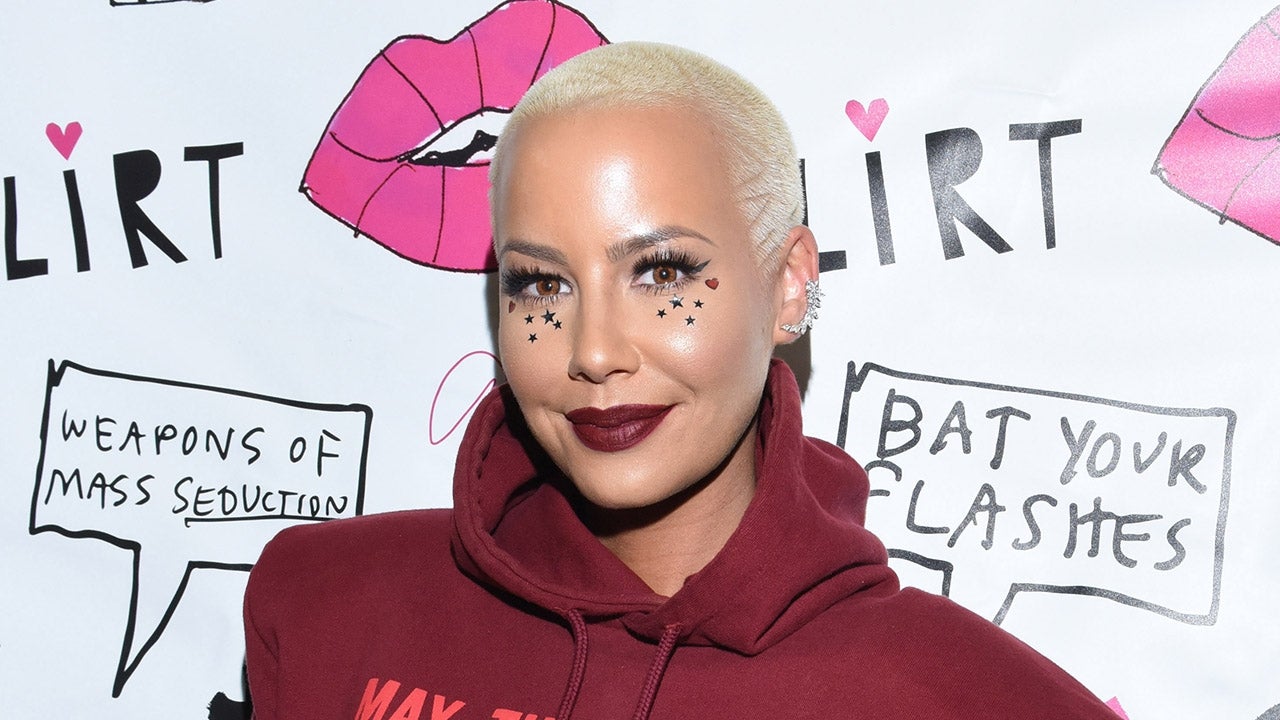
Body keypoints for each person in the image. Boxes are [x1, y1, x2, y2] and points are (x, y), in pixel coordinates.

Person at [244, 42, 1120, 719]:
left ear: (789, 285)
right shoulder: (327, 604)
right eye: (541, 285)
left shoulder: (959, 694)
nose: (595, 352)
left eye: (662, 274)